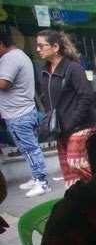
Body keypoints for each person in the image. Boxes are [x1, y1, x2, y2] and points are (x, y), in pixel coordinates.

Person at [36, 29, 95, 187]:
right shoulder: (45, 71)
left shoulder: (73, 68)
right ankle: (80, 198)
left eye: (41, 45)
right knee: (69, 172)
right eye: (37, 45)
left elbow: (87, 96)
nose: (38, 49)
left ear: (55, 47)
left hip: (80, 126)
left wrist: (72, 122)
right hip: (60, 129)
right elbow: (48, 101)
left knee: (76, 163)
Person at [0, 26, 50, 197]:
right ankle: (36, 177)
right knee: (29, 148)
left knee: (30, 149)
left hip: (18, 114)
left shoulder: (10, 59)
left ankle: (42, 182)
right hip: (23, 111)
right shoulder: (19, 55)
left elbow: (3, 83)